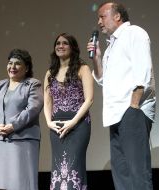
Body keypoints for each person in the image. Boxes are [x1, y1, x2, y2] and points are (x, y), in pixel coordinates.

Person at [87, 2, 156, 190]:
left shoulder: (134, 33)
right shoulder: (110, 47)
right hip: (115, 115)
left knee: (137, 173)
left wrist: (133, 106)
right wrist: (97, 58)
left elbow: (144, 72)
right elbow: (103, 80)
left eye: (102, 16)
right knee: (121, 174)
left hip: (131, 111)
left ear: (117, 16)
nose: (99, 21)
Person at [0, 49, 43, 190]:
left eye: (17, 64)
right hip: (1, 141)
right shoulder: (0, 85)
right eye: (10, 63)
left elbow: (33, 109)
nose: (12, 67)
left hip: (23, 141)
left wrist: (13, 125)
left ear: (27, 68)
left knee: (21, 183)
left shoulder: (32, 84)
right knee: (1, 184)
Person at [44, 33, 94, 190]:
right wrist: (48, 122)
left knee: (74, 167)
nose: (60, 46)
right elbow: (47, 101)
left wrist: (73, 122)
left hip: (78, 125)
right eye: (58, 43)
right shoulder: (50, 73)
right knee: (58, 168)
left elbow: (89, 99)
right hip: (56, 126)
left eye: (65, 43)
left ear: (73, 48)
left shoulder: (83, 68)